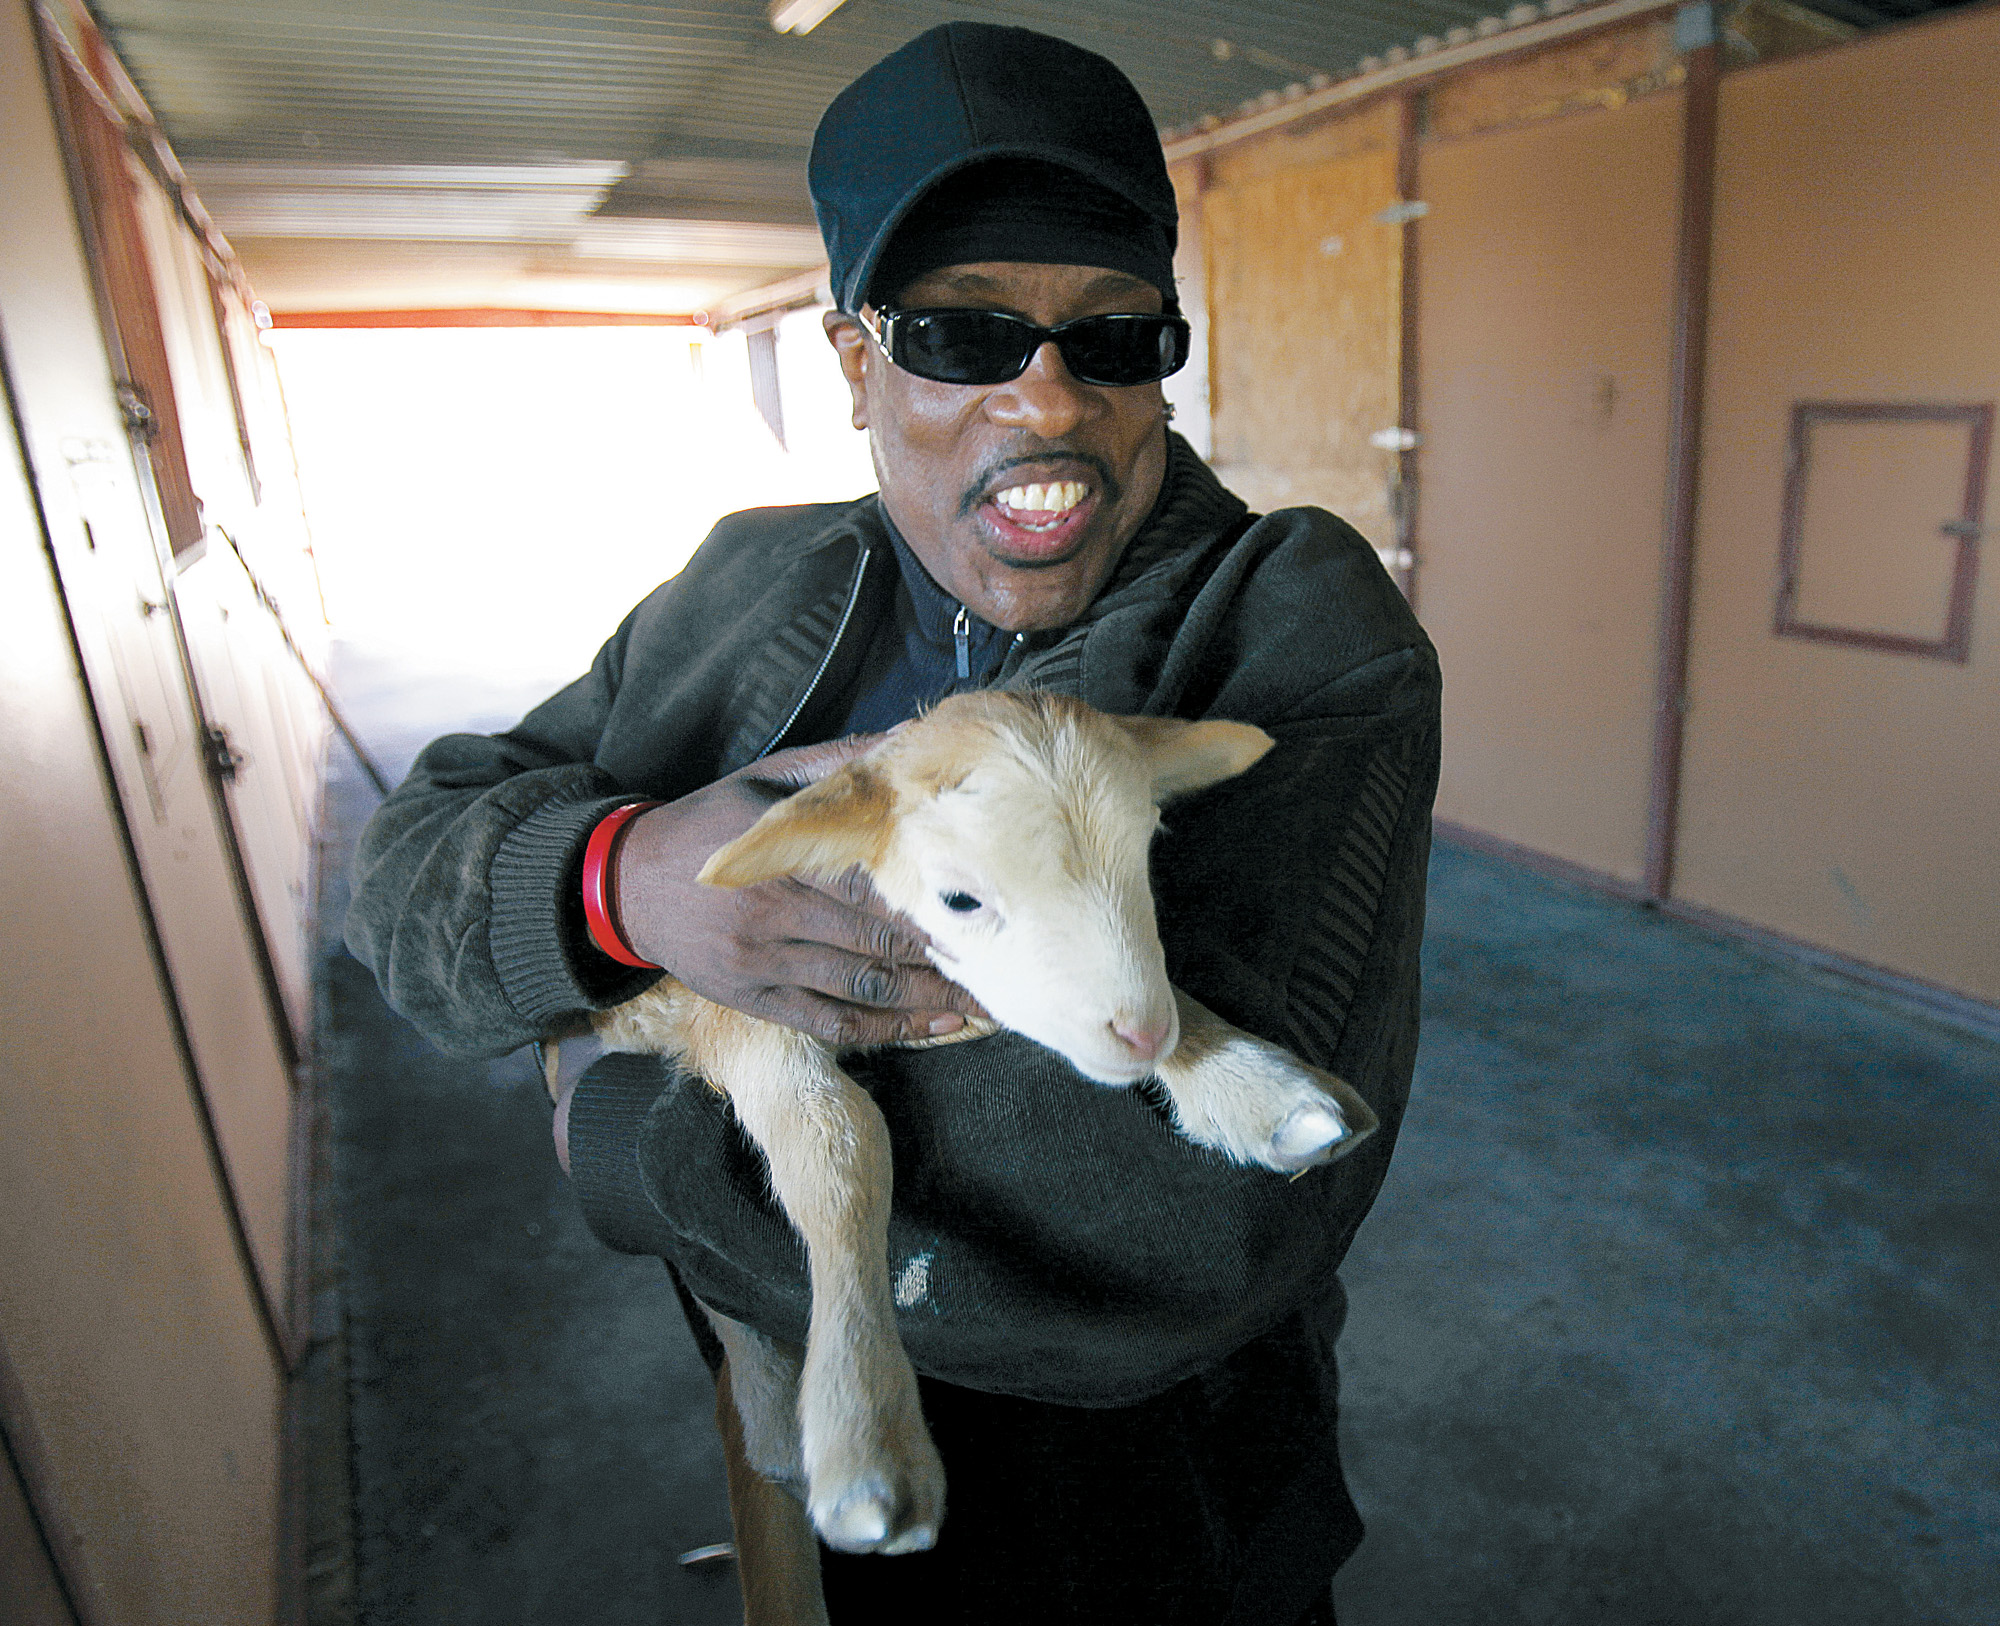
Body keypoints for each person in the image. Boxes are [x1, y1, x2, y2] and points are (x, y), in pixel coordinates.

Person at [346, 22, 1440, 1626]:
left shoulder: (1287, 624)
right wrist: (630, 880)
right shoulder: (741, 585)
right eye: (958, 331)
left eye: (1115, 334)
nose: (1046, 391)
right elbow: (410, 866)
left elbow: (1179, 1219)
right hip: (821, 1432)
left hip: (1163, 1500)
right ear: (856, 359)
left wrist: (613, 1125)